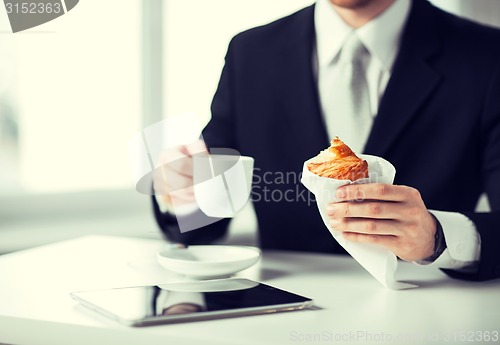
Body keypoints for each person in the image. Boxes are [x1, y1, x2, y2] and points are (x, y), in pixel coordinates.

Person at [152, 0, 500, 281]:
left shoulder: (486, 55)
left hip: (430, 309)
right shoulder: (251, 53)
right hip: (283, 313)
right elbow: (203, 225)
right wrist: (184, 194)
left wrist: (437, 237)